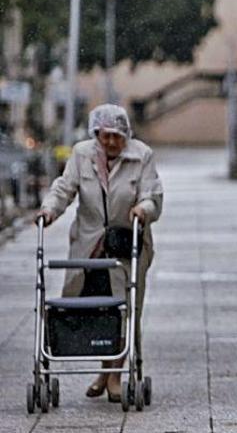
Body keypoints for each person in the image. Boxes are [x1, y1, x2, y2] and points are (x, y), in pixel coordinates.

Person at [38, 104, 163, 403]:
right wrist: (50, 209)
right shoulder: (82, 154)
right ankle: (104, 371)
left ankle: (115, 376)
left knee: (122, 309)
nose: (110, 142)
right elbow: (64, 188)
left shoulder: (141, 155)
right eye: (105, 136)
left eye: (117, 137)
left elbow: (153, 195)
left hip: (125, 244)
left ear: (126, 135)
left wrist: (143, 209)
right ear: (96, 133)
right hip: (90, 246)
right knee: (95, 309)